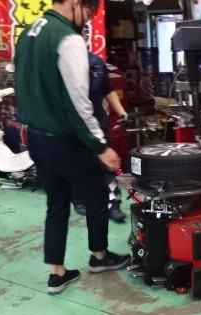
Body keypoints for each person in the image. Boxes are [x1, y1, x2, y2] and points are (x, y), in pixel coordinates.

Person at [14, 0, 131, 294]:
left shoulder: (29, 31)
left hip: (37, 139)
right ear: (76, 4)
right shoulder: (68, 38)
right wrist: (100, 146)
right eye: (88, 13)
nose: (87, 20)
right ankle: (100, 257)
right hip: (66, 141)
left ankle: (57, 273)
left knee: (56, 204)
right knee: (97, 196)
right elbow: (79, 102)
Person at [72, 39, 128, 223]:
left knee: (107, 163)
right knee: (78, 164)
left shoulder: (96, 62)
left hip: (98, 121)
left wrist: (121, 112)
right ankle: (79, 199)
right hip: (74, 123)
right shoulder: (63, 64)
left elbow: (108, 89)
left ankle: (113, 204)